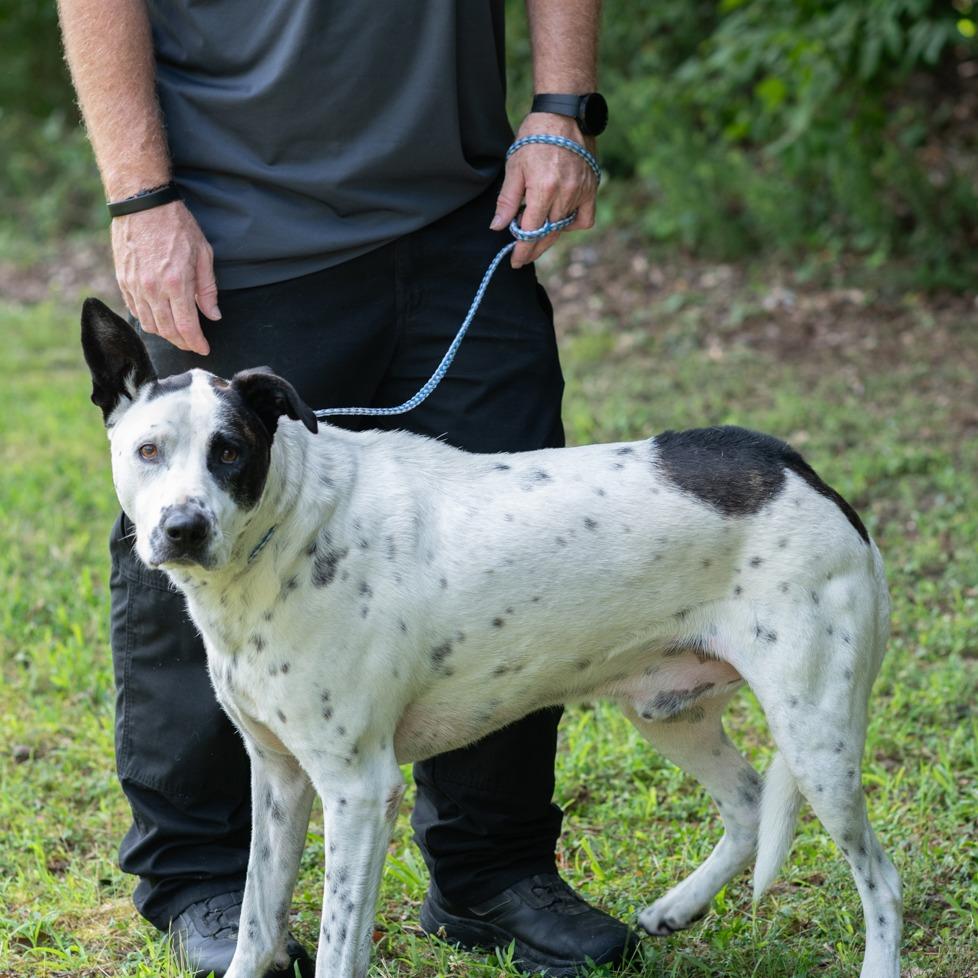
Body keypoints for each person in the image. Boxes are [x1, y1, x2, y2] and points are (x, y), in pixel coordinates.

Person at [58, 2, 632, 975]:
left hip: (465, 212)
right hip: (233, 230)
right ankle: (206, 880)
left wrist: (560, 107)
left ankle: (491, 870)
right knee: (199, 537)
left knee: (518, 554)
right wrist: (139, 195)